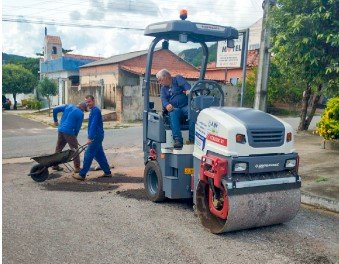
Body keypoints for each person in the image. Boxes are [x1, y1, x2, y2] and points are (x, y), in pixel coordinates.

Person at [72, 95, 112, 180]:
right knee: (99, 155)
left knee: (88, 154)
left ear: (93, 101)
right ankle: (107, 172)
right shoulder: (93, 111)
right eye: (86, 102)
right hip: (98, 136)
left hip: (95, 136)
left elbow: (93, 125)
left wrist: (90, 137)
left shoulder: (96, 111)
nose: (87, 104)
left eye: (89, 102)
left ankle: (82, 175)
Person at [157, 69, 194, 149]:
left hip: (185, 106)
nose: (160, 83)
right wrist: (167, 105)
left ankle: (192, 139)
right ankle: (178, 140)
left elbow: (186, 85)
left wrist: (188, 90)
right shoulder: (163, 89)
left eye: (160, 80)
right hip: (175, 109)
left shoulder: (177, 79)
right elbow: (163, 99)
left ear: (166, 77)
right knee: (173, 112)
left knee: (192, 111)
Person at [53, 102, 88, 173]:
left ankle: (55, 165)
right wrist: (75, 136)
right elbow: (77, 127)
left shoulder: (68, 106)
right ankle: (77, 168)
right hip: (69, 131)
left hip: (61, 130)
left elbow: (55, 109)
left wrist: (55, 120)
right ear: (83, 108)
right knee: (75, 149)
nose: (83, 111)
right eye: (84, 110)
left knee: (59, 148)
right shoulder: (81, 114)